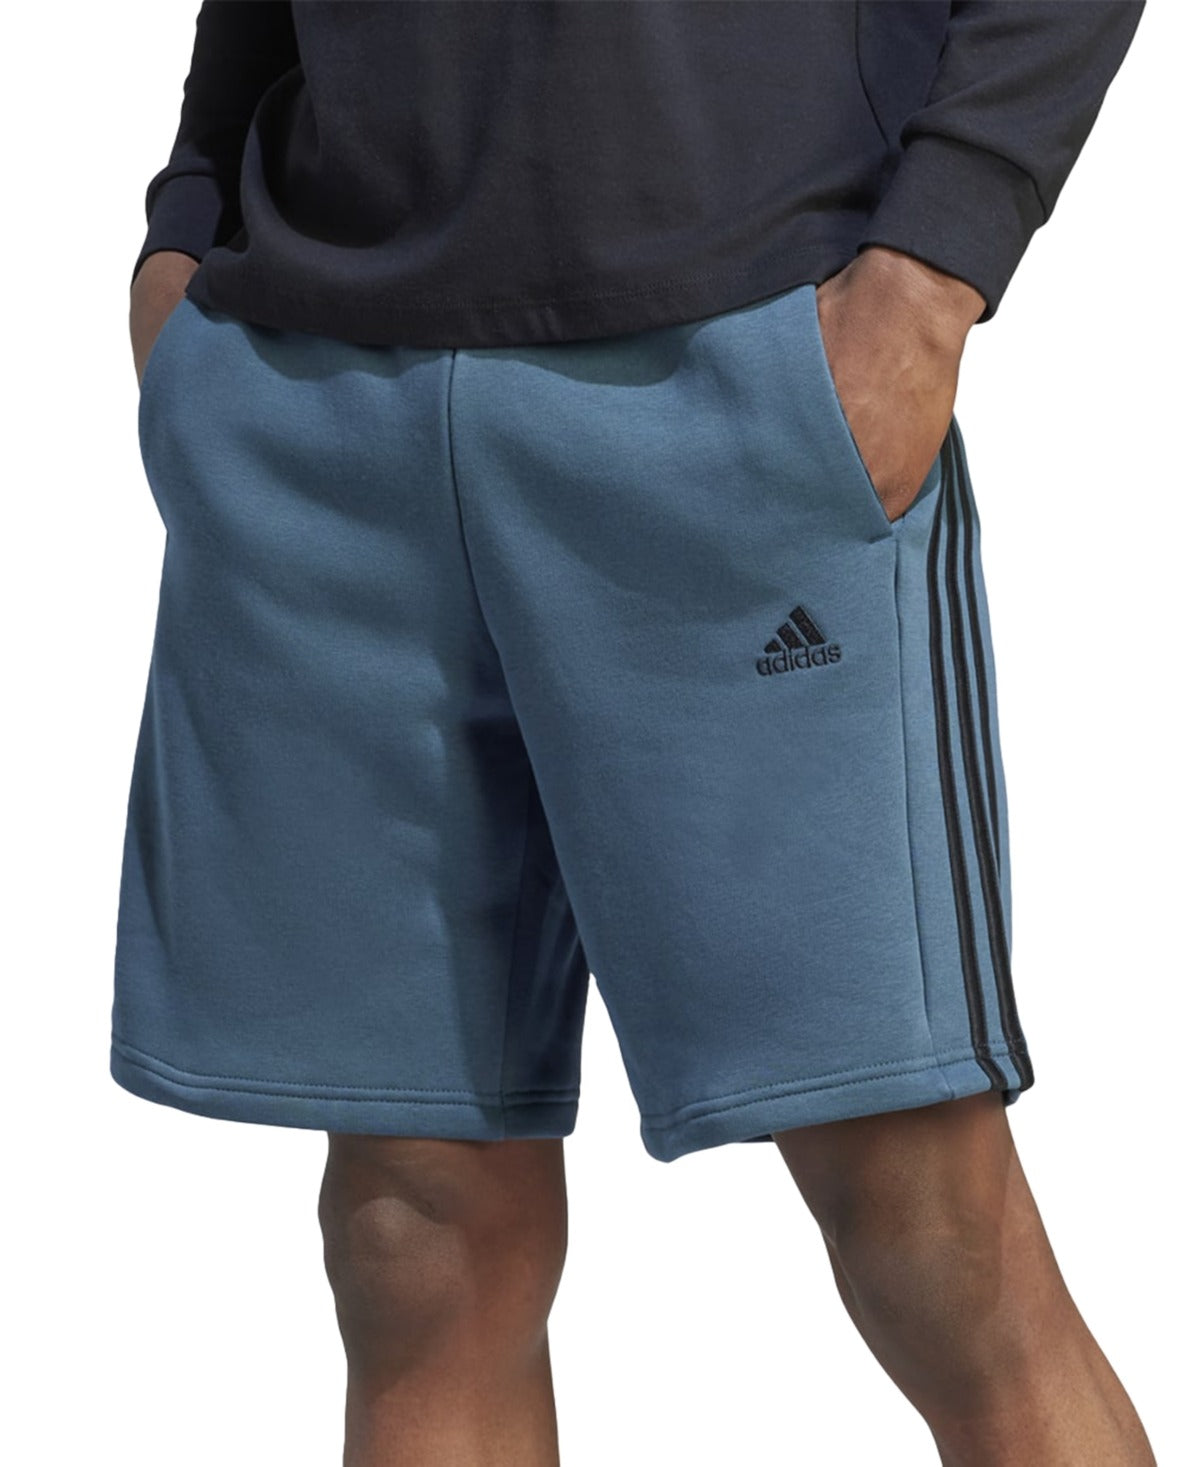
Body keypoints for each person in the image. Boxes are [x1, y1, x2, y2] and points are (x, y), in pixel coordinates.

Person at [112, 3, 1154, 1462]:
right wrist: (193, 211)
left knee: (924, 1224)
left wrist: (932, 266)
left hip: (739, 375)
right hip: (322, 402)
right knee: (414, 1235)